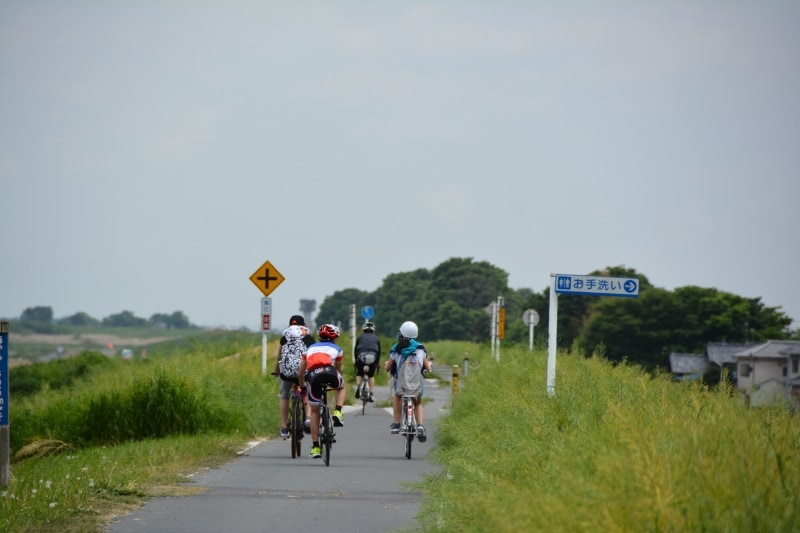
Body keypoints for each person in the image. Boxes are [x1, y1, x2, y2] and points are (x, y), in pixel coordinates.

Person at [298, 323, 347, 458]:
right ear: (334, 338)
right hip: (330, 372)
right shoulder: (338, 349)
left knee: (314, 411)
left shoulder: (309, 349)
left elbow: (300, 372)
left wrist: (303, 386)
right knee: (342, 386)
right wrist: (336, 379)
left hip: (313, 376)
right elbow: (338, 369)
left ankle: (315, 447)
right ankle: (337, 411)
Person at [384, 320, 432, 442]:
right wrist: (429, 365)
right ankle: (420, 426)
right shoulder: (420, 348)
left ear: (401, 334)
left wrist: (387, 365)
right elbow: (427, 368)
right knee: (418, 402)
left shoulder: (396, 349)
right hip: (416, 383)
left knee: (397, 397)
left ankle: (396, 424)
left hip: (401, 384)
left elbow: (388, 368)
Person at [275, 315, 315, 440]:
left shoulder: (285, 337)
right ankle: (308, 418)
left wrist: (276, 370)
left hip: (286, 373)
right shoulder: (308, 337)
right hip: (303, 372)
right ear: (303, 326)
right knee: (307, 391)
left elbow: (279, 357)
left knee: (284, 395)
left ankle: (284, 426)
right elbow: (312, 356)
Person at [354, 321, 381, 403]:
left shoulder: (360, 337)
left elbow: (356, 350)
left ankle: (358, 387)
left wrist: (356, 361)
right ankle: (371, 394)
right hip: (373, 358)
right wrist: (377, 363)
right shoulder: (376, 338)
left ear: (363, 329)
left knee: (359, 373)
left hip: (361, 357)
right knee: (371, 375)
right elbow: (379, 352)